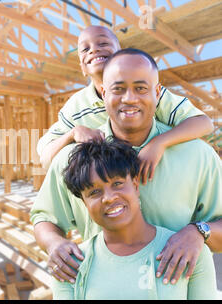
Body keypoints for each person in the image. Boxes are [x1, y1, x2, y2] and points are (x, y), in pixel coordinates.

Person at [30, 48, 222, 287]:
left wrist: (199, 232)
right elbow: (45, 217)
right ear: (103, 92)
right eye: (118, 89)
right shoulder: (73, 159)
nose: (129, 98)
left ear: (157, 92)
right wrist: (54, 243)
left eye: (141, 88)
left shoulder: (198, 156)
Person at [37, 25, 214, 187]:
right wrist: (72, 134)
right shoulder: (76, 107)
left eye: (103, 43)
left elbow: (204, 123)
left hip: (157, 180)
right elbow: (46, 159)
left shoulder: (148, 95)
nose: (94, 49)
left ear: (120, 55)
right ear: (82, 67)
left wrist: (158, 143)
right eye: (85, 48)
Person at [52, 139, 217, 299]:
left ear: (136, 186)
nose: (108, 198)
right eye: (94, 192)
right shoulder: (70, 264)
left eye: (117, 183)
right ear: (84, 203)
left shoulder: (189, 252)